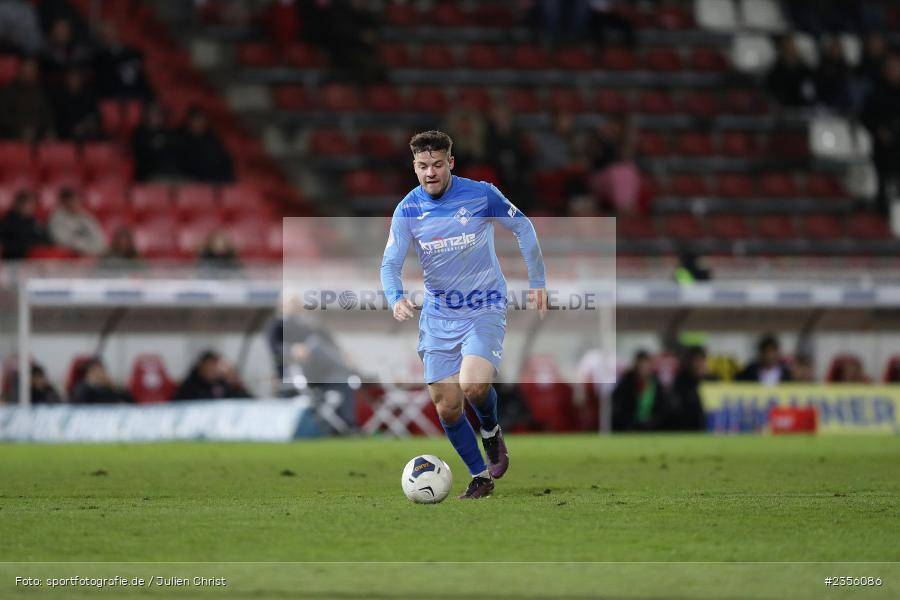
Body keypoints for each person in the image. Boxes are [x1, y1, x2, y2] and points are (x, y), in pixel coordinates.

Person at [381, 130, 547, 499]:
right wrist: (395, 297)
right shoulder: (408, 208)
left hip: (485, 304)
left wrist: (537, 280)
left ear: (450, 163)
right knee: (447, 404)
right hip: (439, 313)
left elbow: (523, 225)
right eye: (423, 166)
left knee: (473, 385)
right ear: (414, 166)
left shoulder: (481, 193)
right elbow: (390, 263)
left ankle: (490, 431)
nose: (430, 173)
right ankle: (479, 477)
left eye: (437, 165)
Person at [611, 350, 669, 431]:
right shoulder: (626, 382)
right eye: (641, 364)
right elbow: (618, 405)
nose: (643, 368)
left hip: (652, 426)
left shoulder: (656, 383)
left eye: (646, 364)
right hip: (629, 426)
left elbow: (663, 407)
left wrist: (654, 420)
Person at [0, 58, 54, 141]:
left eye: (32, 71)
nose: (30, 74)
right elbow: (4, 116)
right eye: (27, 70)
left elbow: (47, 115)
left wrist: (48, 131)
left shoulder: (41, 92)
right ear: (20, 71)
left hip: (38, 137)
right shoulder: (8, 91)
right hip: (12, 137)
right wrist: (20, 130)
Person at [177, 106, 234, 183]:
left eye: (201, 120)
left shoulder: (212, 139)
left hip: (212, 181)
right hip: (188, 181)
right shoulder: (179, 139)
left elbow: (224, 161)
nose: (199, 123)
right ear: (189, 121)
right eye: (196, 119)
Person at [131, 103, 183, 182]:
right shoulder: (140, 134)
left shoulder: (169, 133)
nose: (157, 117)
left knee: (195, 189)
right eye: (154, 114)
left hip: (174, 174)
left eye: (159, 114)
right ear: (147, 116)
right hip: (151, 176)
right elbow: (142, 155)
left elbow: (179, 149)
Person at [48, 188, 106, 256]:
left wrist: (99, 249)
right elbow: (61, 241)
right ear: (64, 202)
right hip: (71, 257)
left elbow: (100, 237)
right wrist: (88, 249)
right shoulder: (56, 219)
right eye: (72, 201)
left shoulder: (86, 216)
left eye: (78, 200)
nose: (76, 203)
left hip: (93, 253)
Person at [173, 350, 250, 400]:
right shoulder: (189, 386)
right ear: (201, 366)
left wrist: (236, 386)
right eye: (209, 366)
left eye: (214, 367)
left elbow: (244, 399)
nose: (211, 370)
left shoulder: (222, 383)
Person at [669, 346, 712, 431]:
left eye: (701, 360)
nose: (698, 363)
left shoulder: (712, 380)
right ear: (689, 362)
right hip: (687, 424)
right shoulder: (682, 380)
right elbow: (677, 405)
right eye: (696, 360)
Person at [0, 190, 51, 259]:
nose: (32, 208)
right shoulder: (7, 222)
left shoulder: (34, 221)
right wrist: (29, 247)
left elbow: (46, 240)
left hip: (36, 260)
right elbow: (6, 246)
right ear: (19, 204)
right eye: (29, 204)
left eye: (34, 205)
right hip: (14, 261)